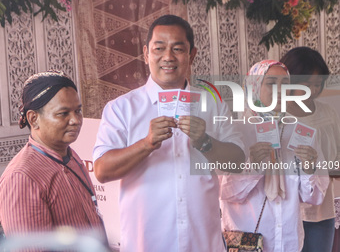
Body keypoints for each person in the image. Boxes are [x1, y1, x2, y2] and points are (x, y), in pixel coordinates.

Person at [93, 14, 245, 252]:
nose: (168, 57)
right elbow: (102, 171)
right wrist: (146, 143)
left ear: (191, 55)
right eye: (159, 48)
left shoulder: (212, 105)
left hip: (203, 242)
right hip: (147, 242)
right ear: (146, 53)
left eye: (177, 49)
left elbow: (237, 162)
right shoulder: (121, 108)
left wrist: (205, 142)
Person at [219, 60, 329, 252]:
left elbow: (315, 198)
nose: (280, 90)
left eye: (285, 85)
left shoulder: (302, 133)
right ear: (253, 86)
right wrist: (252, 166)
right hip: (245, 243)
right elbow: (226, 192)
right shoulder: (233, 132)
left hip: (288, 242)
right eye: (271, 83)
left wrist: (309, 169)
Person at [0, 71, 106, 244]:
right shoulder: (21, 178)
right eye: (63, 113)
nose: (75, 120)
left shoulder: (70, 155)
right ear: (33, 119)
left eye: (78, 111)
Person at [280, 46, 340, 252]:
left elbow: (336, 157)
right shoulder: (275, 115)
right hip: (286, 209)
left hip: (320, 210)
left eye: (318, 85)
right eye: (307, 84)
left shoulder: (327, 113)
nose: (313, 91)